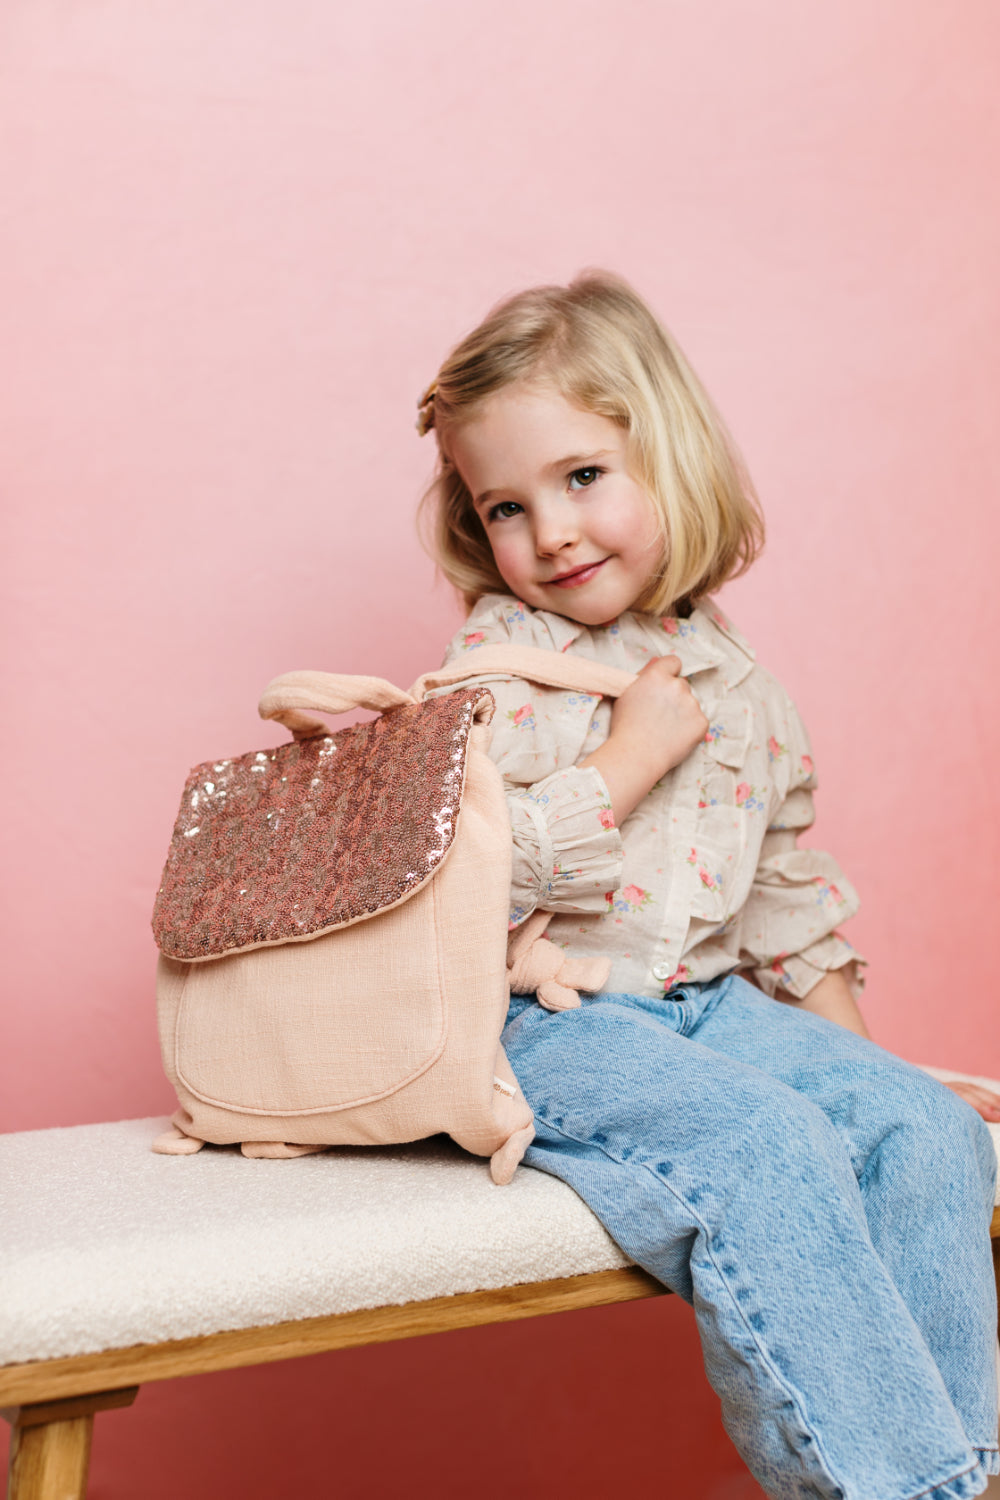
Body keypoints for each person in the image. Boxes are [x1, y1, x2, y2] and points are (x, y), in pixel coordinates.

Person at [414, 272, 1000, 1500]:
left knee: (927, 1130)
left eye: (583, 479)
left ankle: (965, 1468)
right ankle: (897, 1489)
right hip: (544, 1019)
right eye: (506, 506)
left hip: (704, 1001)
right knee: (765, 1144)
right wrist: (625, 762)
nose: (553, 533)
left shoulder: (736, 678)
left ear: (667, 455)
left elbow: (780, 896)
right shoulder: (498, 667)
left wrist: (870, 1069)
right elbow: (461, 883)